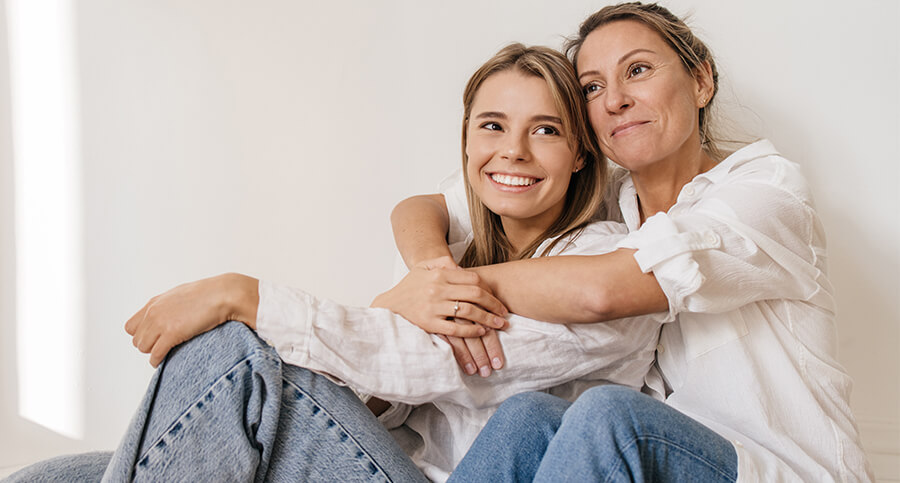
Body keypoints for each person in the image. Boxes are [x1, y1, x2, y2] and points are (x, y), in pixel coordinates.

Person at [5, 44, 663, 482]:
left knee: (235, 356)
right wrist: (424, 271)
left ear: (581, 153)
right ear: (465, 140)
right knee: (50, 478)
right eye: (492, 125)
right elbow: (387, 390)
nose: (513, 151)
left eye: (545, 130)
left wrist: (244, 293)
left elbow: (427, 361)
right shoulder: (465, 251)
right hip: (384, 457)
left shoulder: (599, 265)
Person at [385, 3, 874, 481]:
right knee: (528, 415)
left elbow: (604, 290)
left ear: (701, 81)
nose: (614, 99)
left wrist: (450, 288)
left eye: (637, 70)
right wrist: (431, 269)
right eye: (593, 87)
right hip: (642, 466)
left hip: (772, 471)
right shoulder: (605, 199)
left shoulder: (766, 191)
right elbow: (428, 207)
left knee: (608, 415)